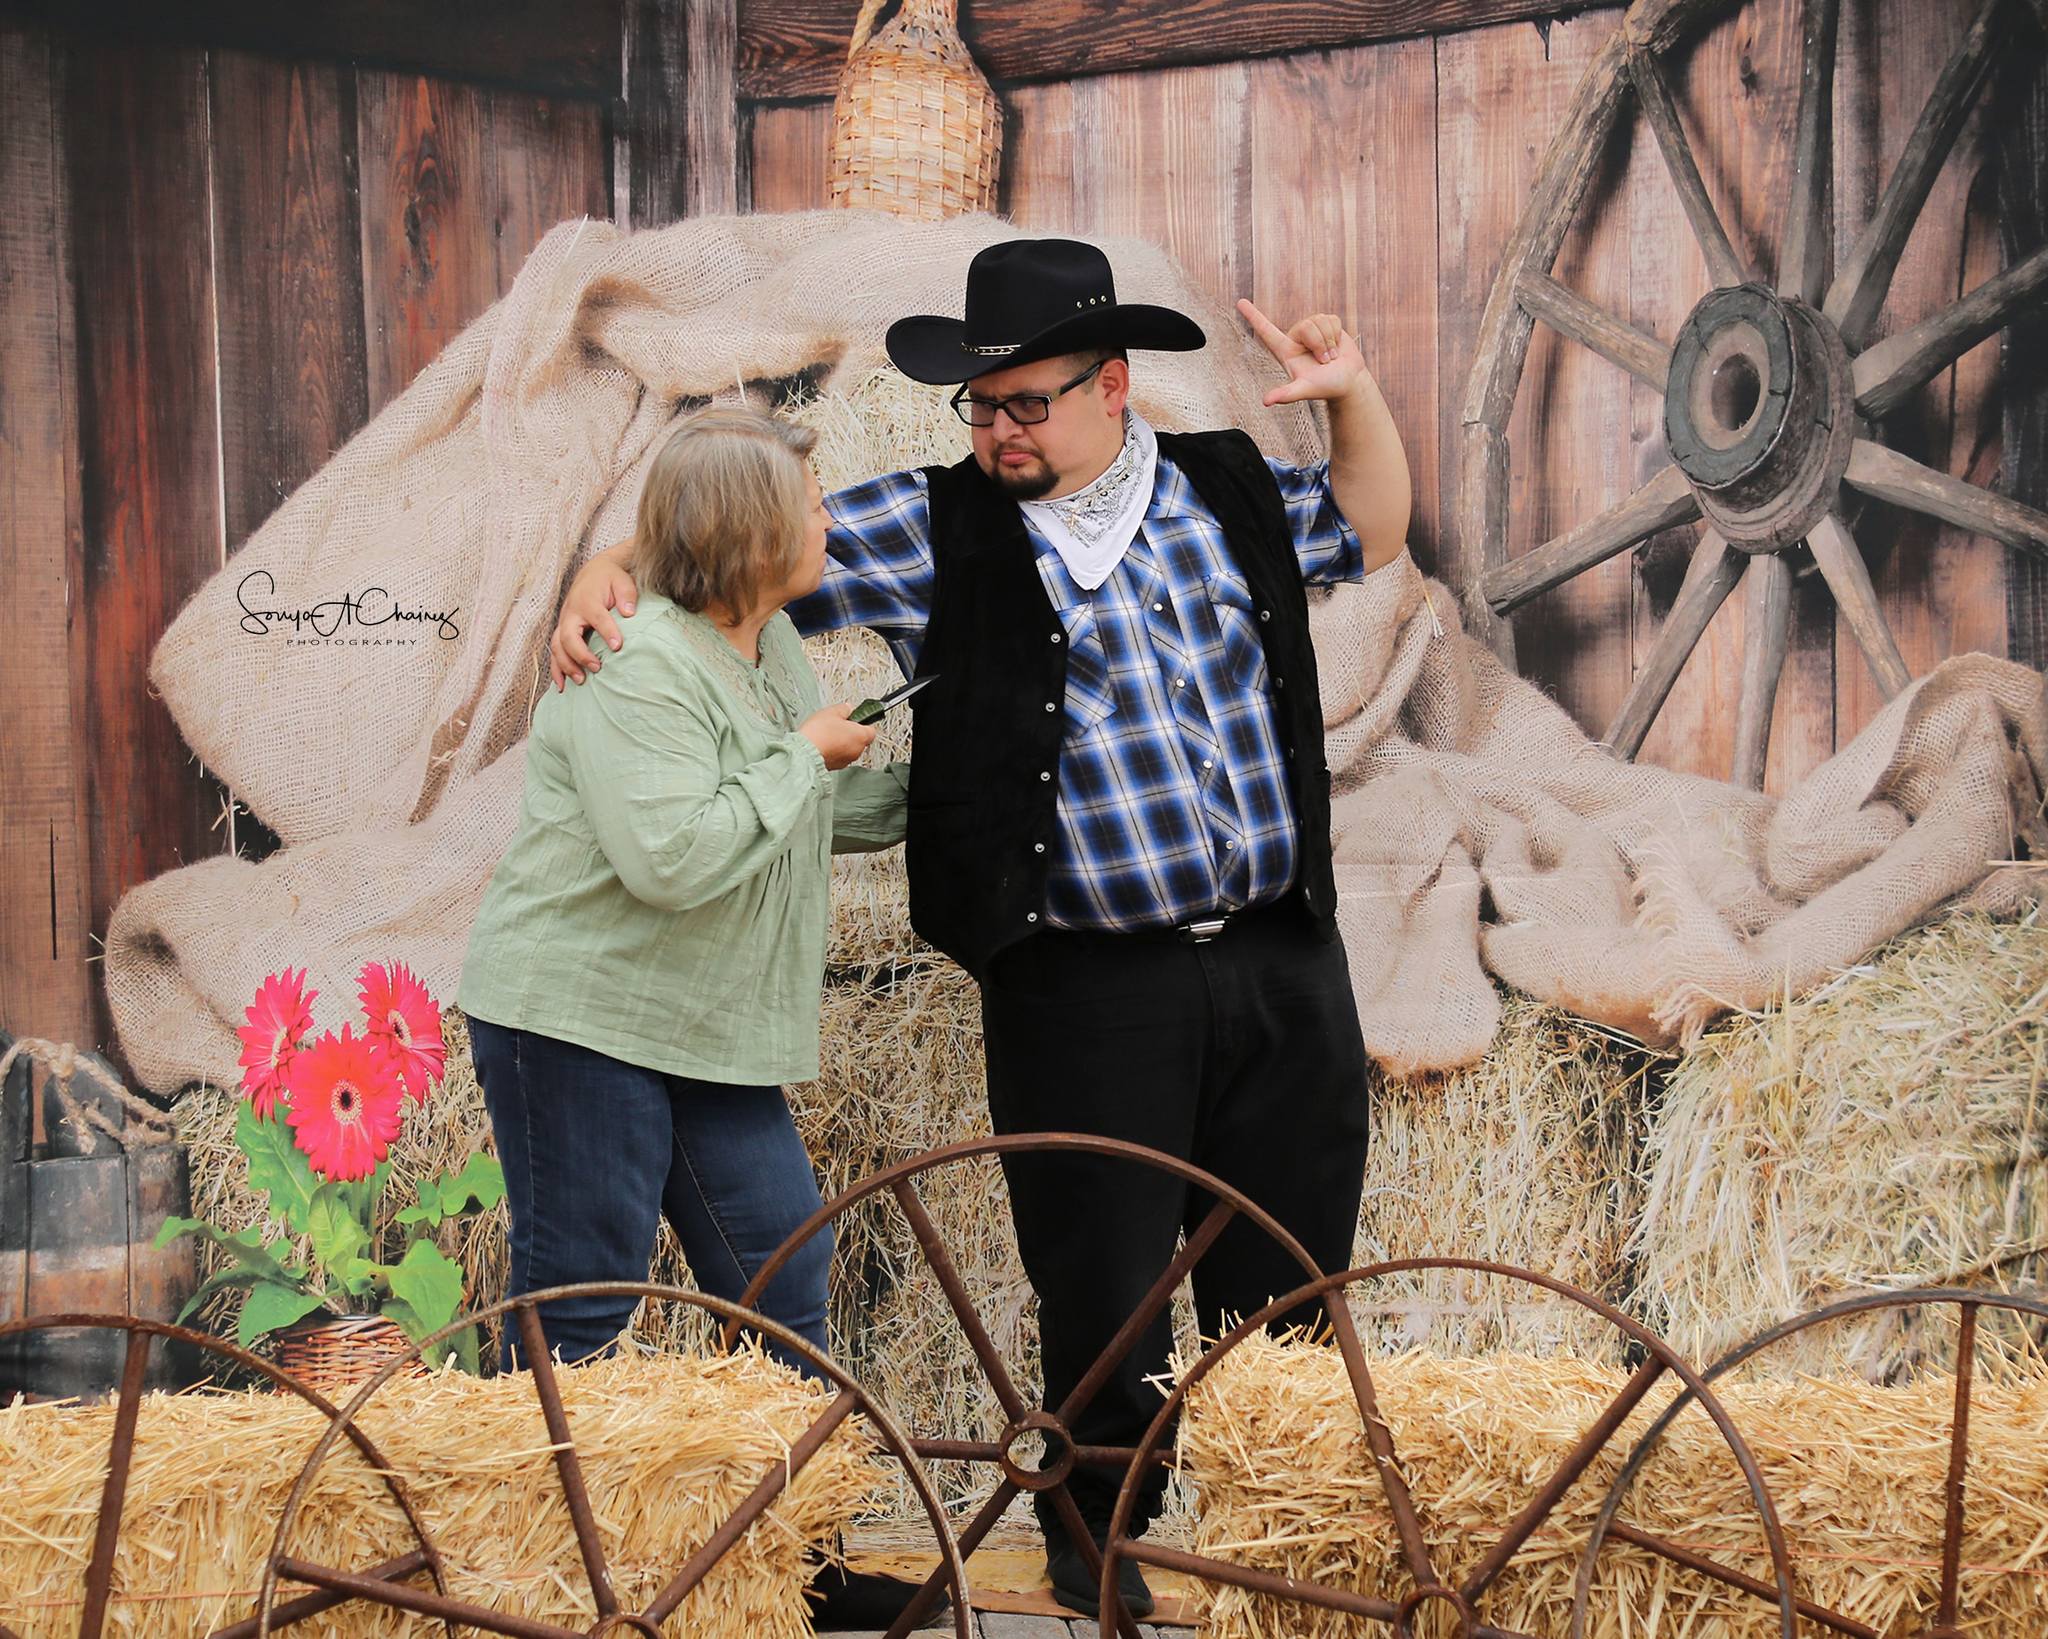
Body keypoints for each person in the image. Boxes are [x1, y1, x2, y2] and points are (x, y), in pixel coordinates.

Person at [550, 239, 1413, 1619]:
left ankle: (1293, 1567)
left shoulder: (1225, 490)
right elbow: (723, 557)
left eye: (1027, 403)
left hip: (1276, 957)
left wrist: (1354, 397)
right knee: (1105, 1299)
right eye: (982, 405)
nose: (999, 430)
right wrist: (609, 565)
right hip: (1081, 978)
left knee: (1290, 1285)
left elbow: (1371, 526)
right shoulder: (925, 525)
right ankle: (1100, 1564)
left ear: (1113, 385)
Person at [459, 407, 905, 1373]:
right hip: (583, 1014)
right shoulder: (636, 661)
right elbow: (673, 859)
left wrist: (942, 798)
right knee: (586, 1289)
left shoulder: (769, 640)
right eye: (813, 504)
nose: (831, 522)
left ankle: (791, 1519)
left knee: (781, 1269)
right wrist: (804, 755)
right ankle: (534, 1520)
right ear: (754, 531)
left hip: (700, 1021)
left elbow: (789, 807)